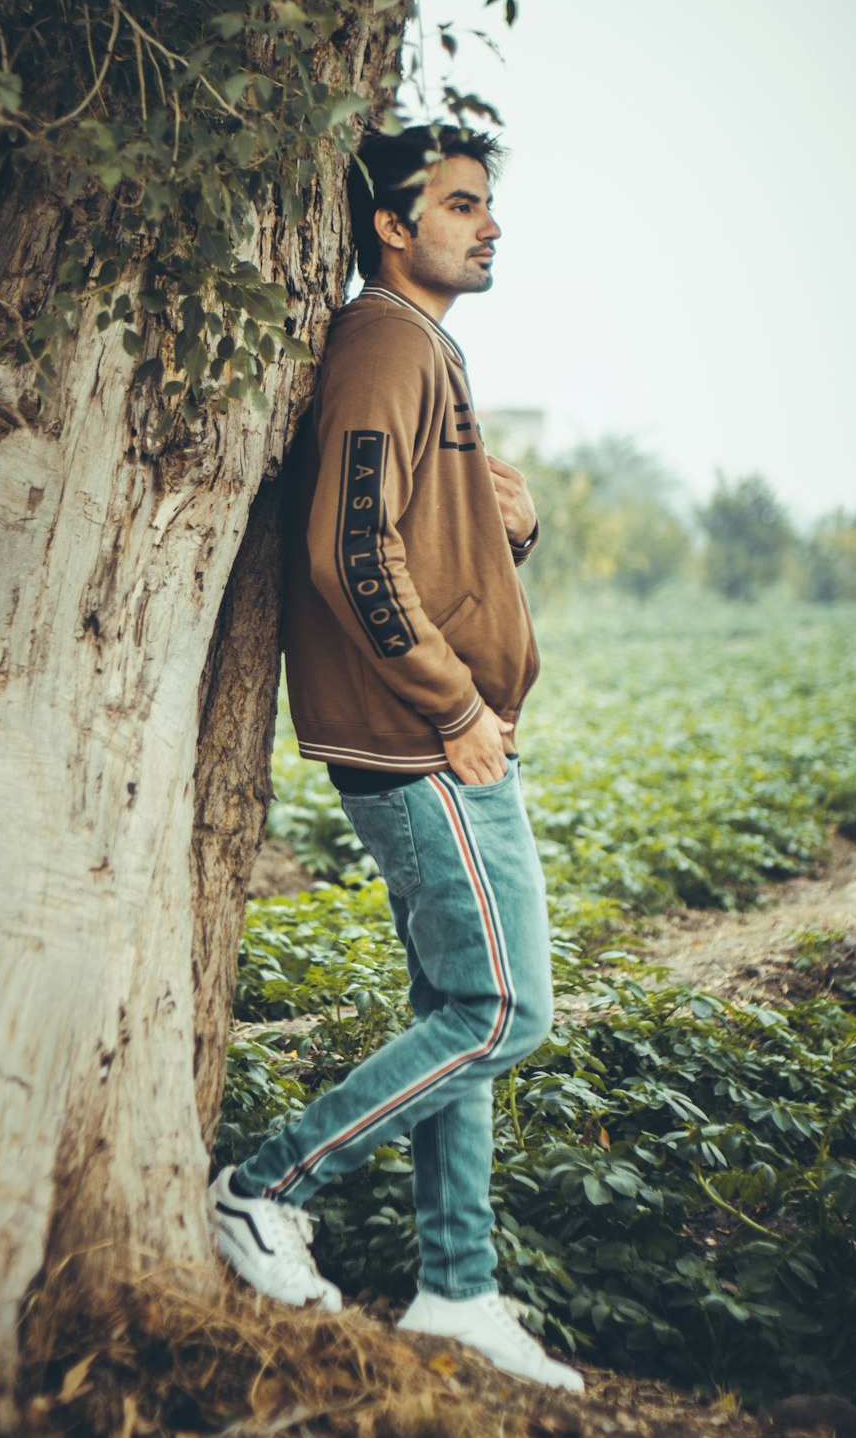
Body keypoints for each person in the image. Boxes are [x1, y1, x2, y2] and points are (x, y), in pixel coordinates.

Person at [209, 125, 583, 1394]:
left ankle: (455, 1288)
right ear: (390, 222)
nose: (490, 225)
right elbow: (350, 550)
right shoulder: (379, 340)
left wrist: (502, 514)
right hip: (421, 738)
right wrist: (453, 707)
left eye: (491, 205)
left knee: (457, 1007)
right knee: (499, 1009)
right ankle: (265, 1188)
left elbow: (421, 529)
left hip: (444, 733)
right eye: (462, 204)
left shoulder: (428, 345)